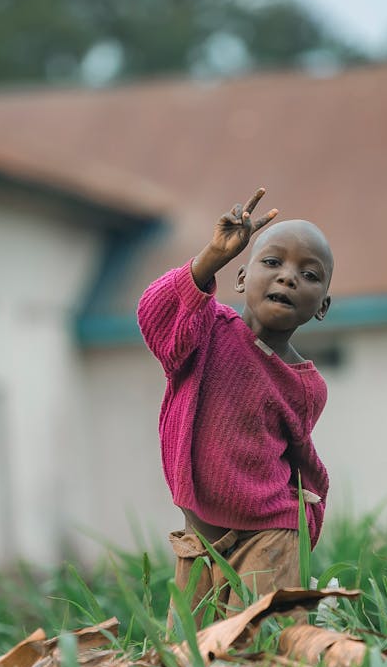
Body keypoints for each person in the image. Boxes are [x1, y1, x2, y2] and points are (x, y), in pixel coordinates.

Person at [137, 187, 333, 625]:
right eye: (272, 262)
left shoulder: (306, 386)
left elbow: (302, 463)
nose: (288, 277)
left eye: (310, 274)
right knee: (188, 655)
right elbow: (154, 314)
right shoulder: (205, 332)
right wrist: (212, 255)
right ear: (241, 278)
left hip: (271, 533)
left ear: (322, 306)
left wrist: (305, 525)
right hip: (199, 542)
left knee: (260, 639)